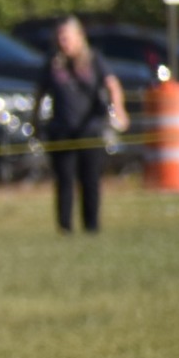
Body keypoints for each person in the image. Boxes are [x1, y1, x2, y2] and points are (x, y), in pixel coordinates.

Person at [34, 17, 127, 233]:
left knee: (90, 180)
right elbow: (39, 94)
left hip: (90, 129)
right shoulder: (52, 62)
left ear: (79, 37)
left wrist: (119, 111)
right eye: (59, 37)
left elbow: (112, 85)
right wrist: (36, 122)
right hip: (61, 130)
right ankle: (64, 227)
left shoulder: (94, 59)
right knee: (65, 180)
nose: (63, 41)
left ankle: (91, 226)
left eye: (67, 36)